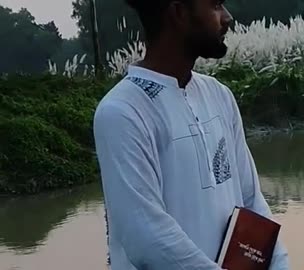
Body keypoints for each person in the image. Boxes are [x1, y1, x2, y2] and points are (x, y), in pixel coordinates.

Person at [93, 0, 290, 269]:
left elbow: (252, 202)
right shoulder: (123, 112)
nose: (227, 17)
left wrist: (280, 264)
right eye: (216, 5)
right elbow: (146, 237)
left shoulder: (220, 96)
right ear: (179, 14)